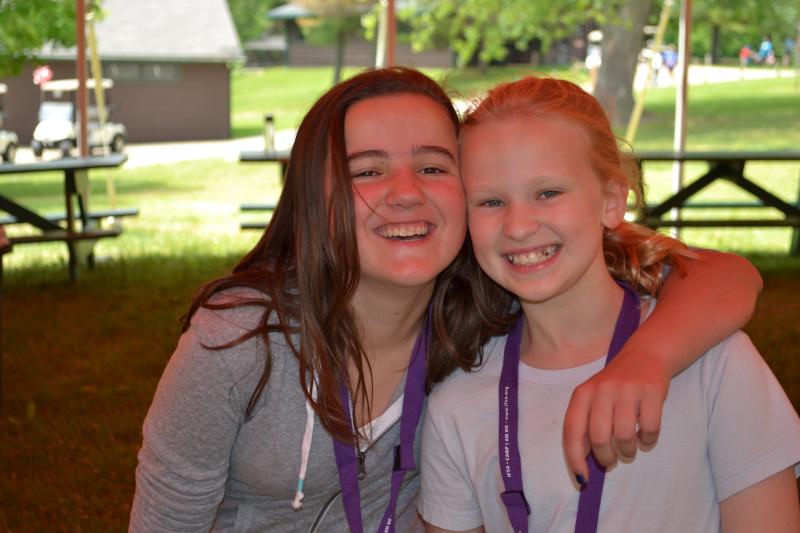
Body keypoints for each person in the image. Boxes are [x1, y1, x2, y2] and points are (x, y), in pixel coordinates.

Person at [129, 67, 762, 532]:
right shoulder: (238, 339)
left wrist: (644, 358)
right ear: (317, 200)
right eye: (367, 170)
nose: (404, 192)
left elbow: (725, 276)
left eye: (433, 166)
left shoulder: (485, 305)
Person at [418, 75, 800, 533]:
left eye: (548, 193)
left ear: (612, 200)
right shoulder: (457, 404)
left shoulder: (714, 361)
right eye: (491, 201)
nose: (518, 226)